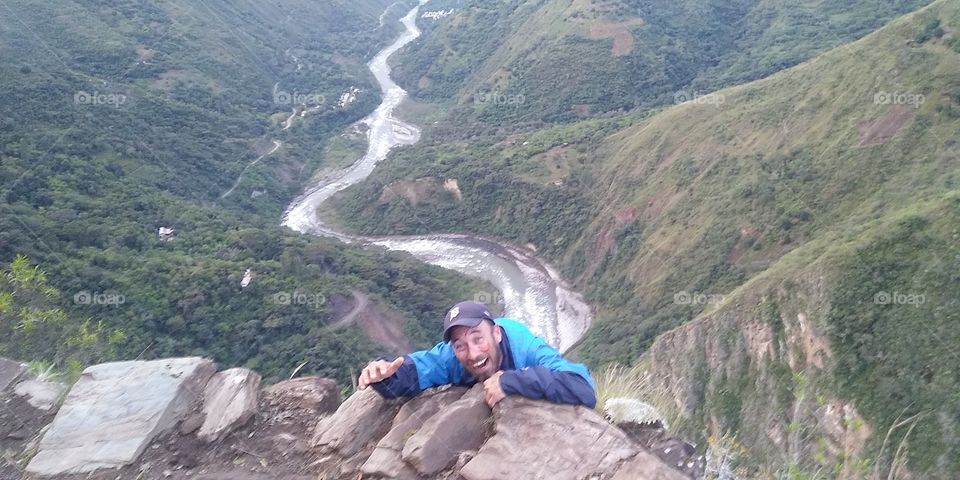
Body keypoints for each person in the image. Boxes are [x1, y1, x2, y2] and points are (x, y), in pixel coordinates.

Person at [358, 300, 596, 408]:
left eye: (478, 338)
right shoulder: (453, 357)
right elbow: (412, 373)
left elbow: (582, 387)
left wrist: (511, 381)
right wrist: (382, 375)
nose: (472, 353)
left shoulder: (526, 347)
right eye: (460, 344)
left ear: (497, 334)